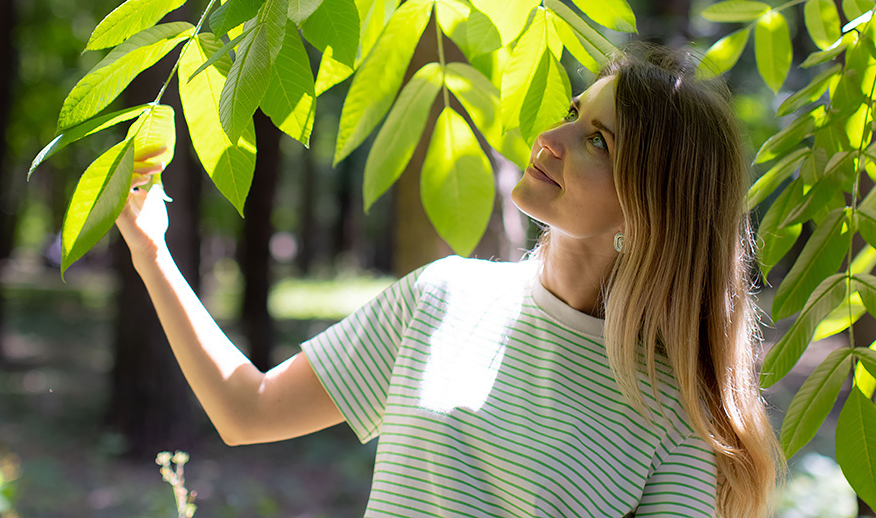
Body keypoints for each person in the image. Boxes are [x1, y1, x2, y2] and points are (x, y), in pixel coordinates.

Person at [115, 44, 780, 518]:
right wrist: (154, 254)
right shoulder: (444, 295)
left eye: (597, 140)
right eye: (573, 113)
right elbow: (248, 411)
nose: (550, 137)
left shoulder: (675, 420)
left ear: (651, 210)